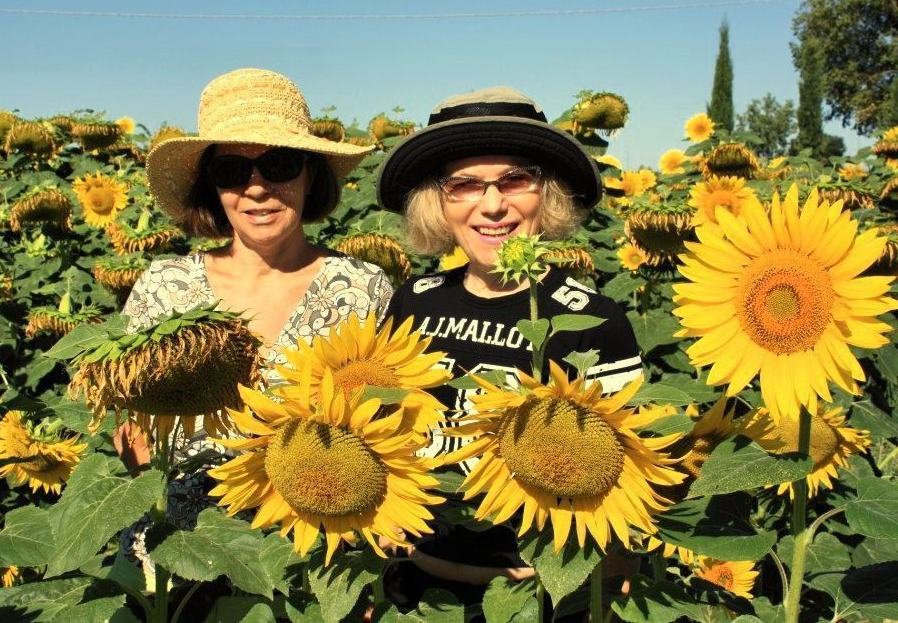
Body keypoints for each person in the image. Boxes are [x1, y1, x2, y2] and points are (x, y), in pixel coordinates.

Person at [116, 67, 394, 572]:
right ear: (213, 188)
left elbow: (391, 425)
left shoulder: (361, 287)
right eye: (232, 172)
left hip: (317, 553)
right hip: (177, 553)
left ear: (310, 175)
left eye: (279, 165)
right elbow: (125, 419)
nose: (257, 188)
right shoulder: (166, 287)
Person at [377, 86, 644, 610]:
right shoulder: (413, 302)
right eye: (464, 185)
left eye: (515, 180)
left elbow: (623, 479)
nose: (493, 205)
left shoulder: (593, 320)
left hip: (542, 597)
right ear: (439, 202)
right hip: (418, 592)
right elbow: (383, 431)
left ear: (547, 195)